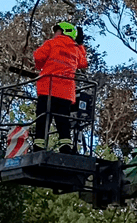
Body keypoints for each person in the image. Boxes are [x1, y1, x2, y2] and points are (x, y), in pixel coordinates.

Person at [33, 21, 88, 152]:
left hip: (48, 89)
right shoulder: (76, 49)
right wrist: (80, 44)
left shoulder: (51, 43)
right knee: (63, 120)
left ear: (64, 32)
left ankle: (39, 145)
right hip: (65, 93)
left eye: (57, 31)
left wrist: (41, 67)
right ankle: (65, 146)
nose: (55, 34)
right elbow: (83, 63)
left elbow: (38, 57)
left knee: (43, 118)